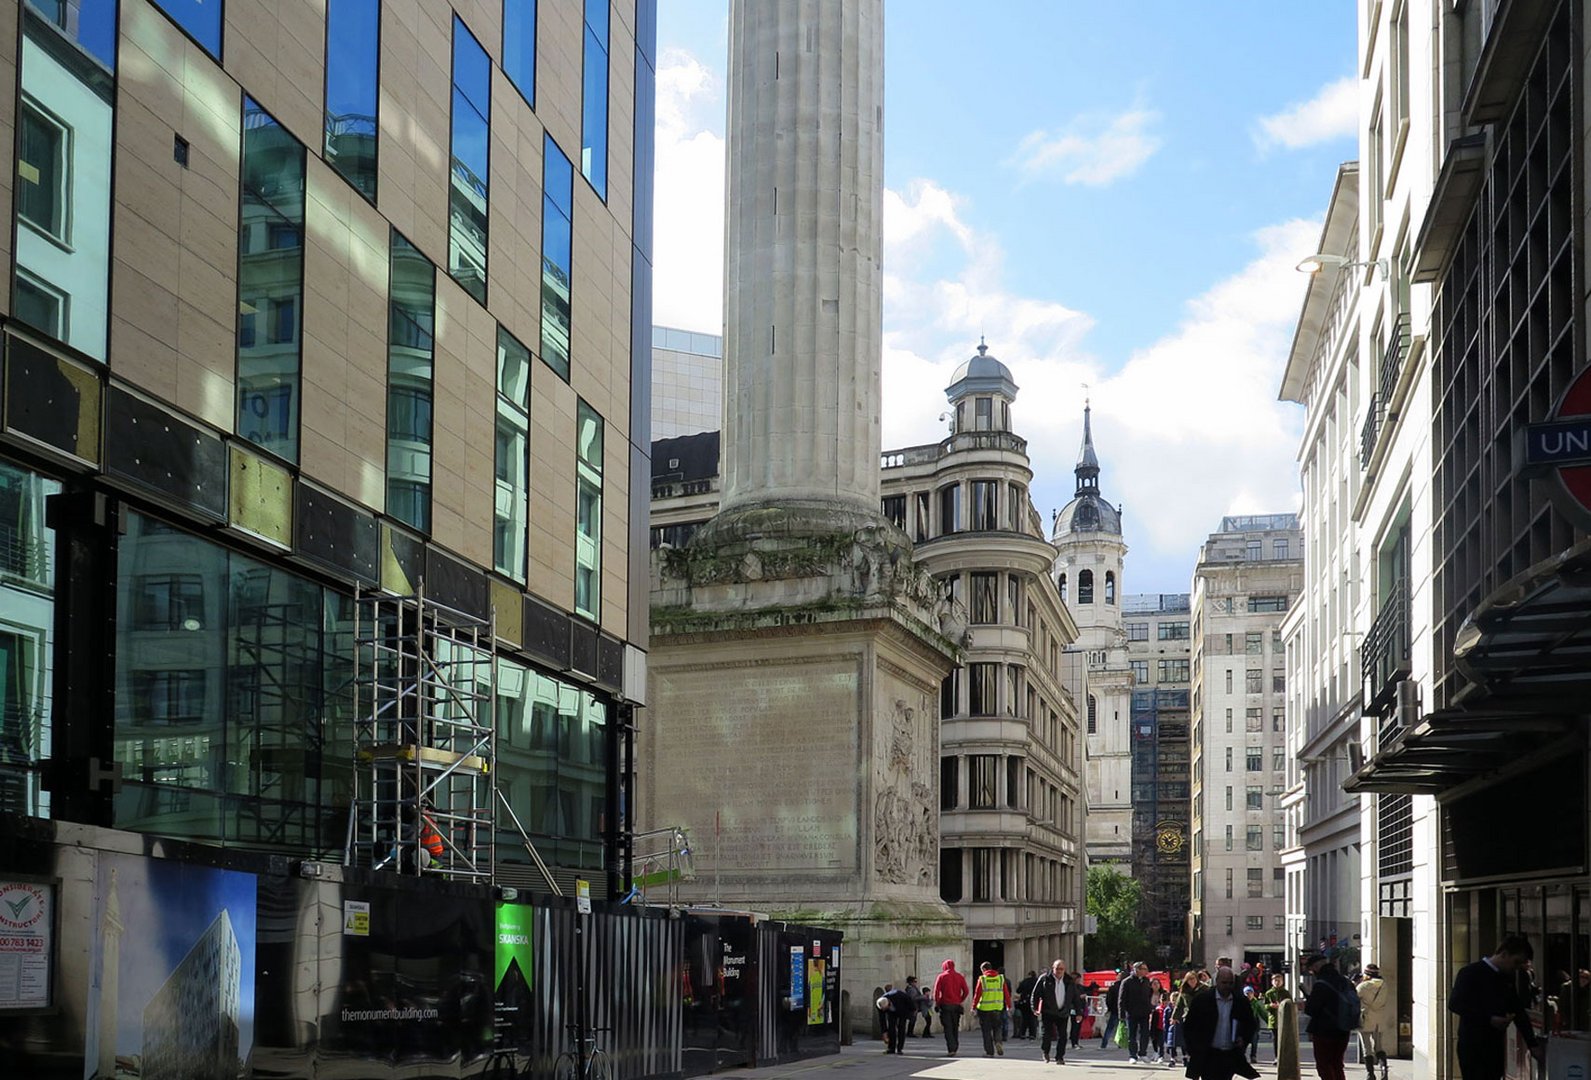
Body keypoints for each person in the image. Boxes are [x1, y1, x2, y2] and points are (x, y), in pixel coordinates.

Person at [1449, 935, 1545, 1080]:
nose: (1516, 968)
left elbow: (1518, 1009)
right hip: (1473, 1047)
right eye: (1516, 962)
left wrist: (1532, 1044)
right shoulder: (1470, 973)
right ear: (1504, 954)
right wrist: (1489, 1019)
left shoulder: (1506, 978)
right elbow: (1455, 1004)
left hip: (1495, 1047)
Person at [1180, 965, 1259, 1080]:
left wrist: (1243, 1039)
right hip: (1208, 1054)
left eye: (1230, 983)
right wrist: (1193, 1050)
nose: (1227, 986)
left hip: (1230, 1054)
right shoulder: (1202, 1000)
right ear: (1216, 982)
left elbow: (1250, 1024)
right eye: (1224, 983)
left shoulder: (1240, 1002)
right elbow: (1189, 1027)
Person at [1302, 952, 1357, 1080]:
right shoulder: (1346, 982)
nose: (1312, 973)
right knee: (1337, 1064)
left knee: (1324, 1065)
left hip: (1324, 1031)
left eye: (1311, 970)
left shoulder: (1321, 984)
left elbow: (1312, 1009)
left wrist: (1307, 1001)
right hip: (1344, 1028)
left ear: (1316, 967)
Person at [1032, 959, 1077, 1064]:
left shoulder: (1069, 981)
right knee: (1046, 1034)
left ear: (1064, 970)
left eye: (1061, 969)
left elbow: (1075, 997)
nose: (1059, 971)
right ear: (1053, 968)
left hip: (1063, 1012)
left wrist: (1078, 1012)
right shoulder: (1044, 979)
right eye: (1057, 969)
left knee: (1063, 1035)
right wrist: (1034, 1008)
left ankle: (1059, 1057)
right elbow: (1035, 994)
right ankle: (1045, 1052)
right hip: (1048, 1011)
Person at [1356, 963, 1393, 1080]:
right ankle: (1384, 1070)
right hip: (1379, 1019)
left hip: (1365, 1019)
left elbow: (1354, 998)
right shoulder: (1384, 986)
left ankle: (1370, 1074)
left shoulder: (1363, 986)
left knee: (1367, 1048)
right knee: (1379, 1047)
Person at [1121, 961, 1157, 1062]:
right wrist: (1122, 1014)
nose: (1146, 971)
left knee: (1145, 1033)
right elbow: (1122, 999)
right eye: (1144, 969)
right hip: (1132, 1012)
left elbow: (1148, 995)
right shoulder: (1127, 982)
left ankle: (1143, 1053)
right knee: (1132, 1035)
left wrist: (1150, 1007)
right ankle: (1133, 1055)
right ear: (1137, 970)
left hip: (1144, 1012)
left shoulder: (1146, 981)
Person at [973, 961, 1010, 1057]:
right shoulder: (1000, 979)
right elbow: (1006, 993)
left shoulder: (982, 979)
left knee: (986, 1031)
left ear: (984, 969)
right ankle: (998, 1041)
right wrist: (1009, 1005)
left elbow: (977, 994)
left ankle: (989, 1052)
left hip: (984, 1009)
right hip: (997, 1008)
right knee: (997, 1027)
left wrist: (973, 1007)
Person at [933, 958, 969, 1056]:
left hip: (945, 1005)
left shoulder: (941, 977)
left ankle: (951, 1048)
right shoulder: (959, 976)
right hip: (956, 1005)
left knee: (947, 1028)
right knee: (955, 1026)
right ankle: (955, 1046)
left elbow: (936, 992)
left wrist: (937, 1003)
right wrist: (960, 1000)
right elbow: (966, 991)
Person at [1168, 970, 1201, 1067]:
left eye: (1193, 979)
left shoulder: (1204, 989)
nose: (1192, 981)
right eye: (1189, 979)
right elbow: (1179, 1005)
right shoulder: (1184, 991)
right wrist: (1174, 1017)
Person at [878, 983, 914, 1054]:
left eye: (886, 1008)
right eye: (884, 1010)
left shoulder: (899, 995)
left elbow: (911, 1004)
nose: (884, 1010)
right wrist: (884, 1033)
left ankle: (900, 1048)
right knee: (891, 1029)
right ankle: (891, 1048)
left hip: (902, 1010)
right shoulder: (880, 1003)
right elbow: (882, 1020)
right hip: (892, 1013)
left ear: (889, 1003)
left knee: (901, 1028)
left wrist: (910, 1015)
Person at [1100, 969, 1124, 1049]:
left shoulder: (1113, 988)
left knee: (1110, 1028)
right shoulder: (1126, 987)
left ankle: (1104, 1044)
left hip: (1114, 1010)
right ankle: (1121, 1043)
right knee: (1121, 1027)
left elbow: (1108, 999)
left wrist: (1110, 1008)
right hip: (1123, 1010)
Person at [1016, 970, 1040, 1040]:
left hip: (1025, 1002)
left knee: (1025, 1018)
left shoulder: (1025, 981)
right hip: (1035, 1002)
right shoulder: (1037, 981)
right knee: (1033, 1018)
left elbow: (1018, 990)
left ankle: (1023, 1033)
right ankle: (1032, 1034)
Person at [1070, 974, 1090, 1049]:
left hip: (1080, 1008)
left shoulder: (1080, 987)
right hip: (1073, 1009)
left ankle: (1076, 1042)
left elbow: (1088, 989)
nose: (1079, 980)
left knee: (1078, 1026)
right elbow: (1071, 998)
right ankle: (1073, 1042)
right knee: (1074, 1026)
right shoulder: (1071, 987)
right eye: (1078, 979)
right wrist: (1079, 997)